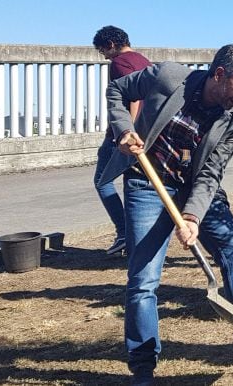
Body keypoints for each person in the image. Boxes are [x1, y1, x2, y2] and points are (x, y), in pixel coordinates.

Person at [101, 44, 233, 384]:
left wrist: (192, 216)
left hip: (195, 188)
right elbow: (116, 90)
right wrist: (123, 130)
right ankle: (143, 366)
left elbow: (211, 174)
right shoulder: (168, 76)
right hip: (147, 184)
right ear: (219, 75)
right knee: (143, 280)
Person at [92, 25, 151, 256]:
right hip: (148, 132)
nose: (104, 56)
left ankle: (124, 233)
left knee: (102, 180)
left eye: (102, 51)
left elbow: (132, 97)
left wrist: (127, 131)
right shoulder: (144, 61)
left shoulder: (120, 63)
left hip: (123, 135)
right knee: (133, 183)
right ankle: (134, 237)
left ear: (111, 45)